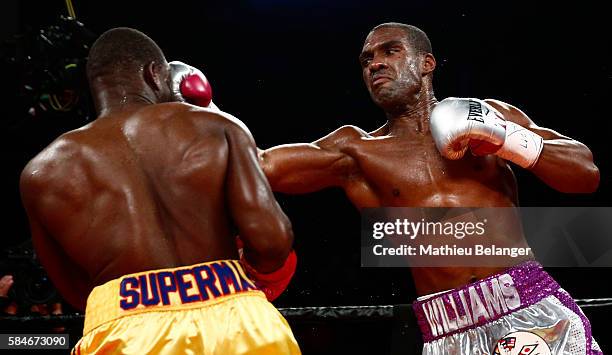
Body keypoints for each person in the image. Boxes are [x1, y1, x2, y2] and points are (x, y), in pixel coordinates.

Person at [254, 23, 601, 354]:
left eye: (390, 51)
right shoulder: (355, 151)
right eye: (367, 60)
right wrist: (204, 117)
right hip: (446, 328)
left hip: (529, 309)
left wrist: (506, 139)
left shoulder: (490, 114)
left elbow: (586, 174)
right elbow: (260, 166)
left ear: (426, 63)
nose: (375, 64)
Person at [20, 27, 300, 354]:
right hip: (238, 322)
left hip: (127, 334)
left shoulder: (41, 172)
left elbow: (75, 292)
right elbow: (272, 239)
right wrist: (223, 278)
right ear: (155, 74)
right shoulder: (217, 126)